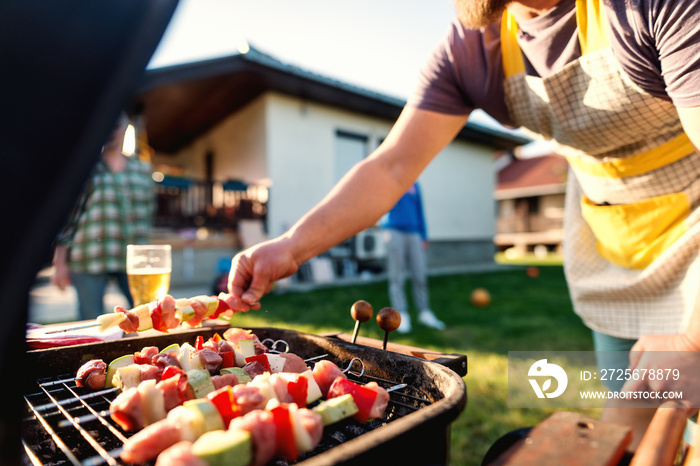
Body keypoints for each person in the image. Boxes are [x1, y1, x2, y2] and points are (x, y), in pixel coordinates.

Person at [223, 0, 700, 451]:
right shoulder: (472, 47)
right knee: (629, 427)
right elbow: (391, 168)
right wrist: (291, 247)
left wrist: (693, 340)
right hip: (612, 239)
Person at [52, 113, 155, 320]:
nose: (110, 131)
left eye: (115, 125)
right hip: (88, 256)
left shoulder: (142, 170)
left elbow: (147, 217)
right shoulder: (85, 169)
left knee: (148, 317)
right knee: (91, 322)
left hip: (134, 260)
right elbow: (68, 219)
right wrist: (59, 264)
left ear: (126, 127)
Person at [381, 181, 444, 333]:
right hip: (394, 231)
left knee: (419, 274)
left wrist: (424, 235)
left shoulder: (416, 184)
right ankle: (400, 314)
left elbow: (419, 209)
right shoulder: (390, 180)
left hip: (415, 233)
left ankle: (424, 312)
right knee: (397, 276)